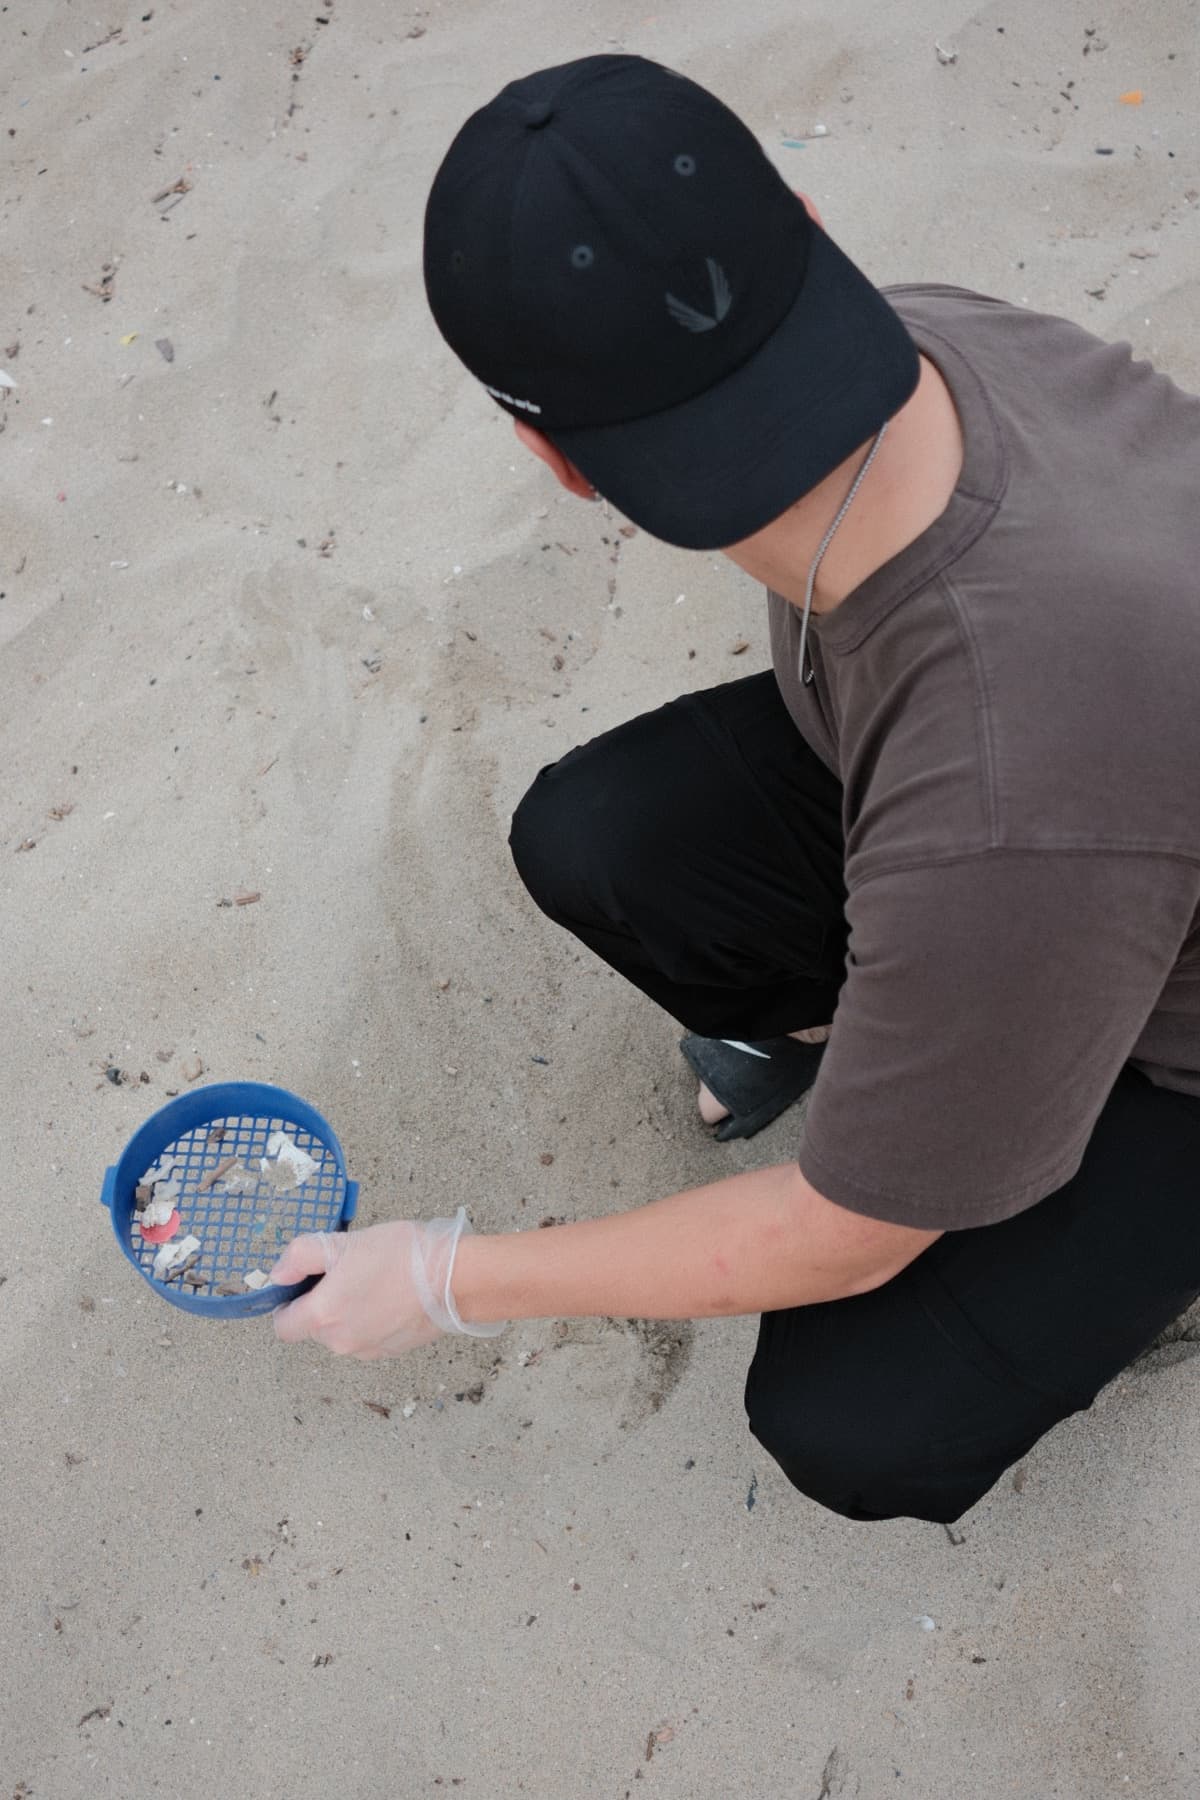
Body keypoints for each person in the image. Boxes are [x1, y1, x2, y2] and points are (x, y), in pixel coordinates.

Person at [271, 54, 1200, 1526]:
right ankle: (873, 1040)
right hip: (1057, 804)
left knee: (855, 1419)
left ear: (552, 460)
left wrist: (449, 1277)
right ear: (808, 229)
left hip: (1158, 997)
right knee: (594, 838)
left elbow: (846, 1238)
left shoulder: (1007, 801)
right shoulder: (925, 338)